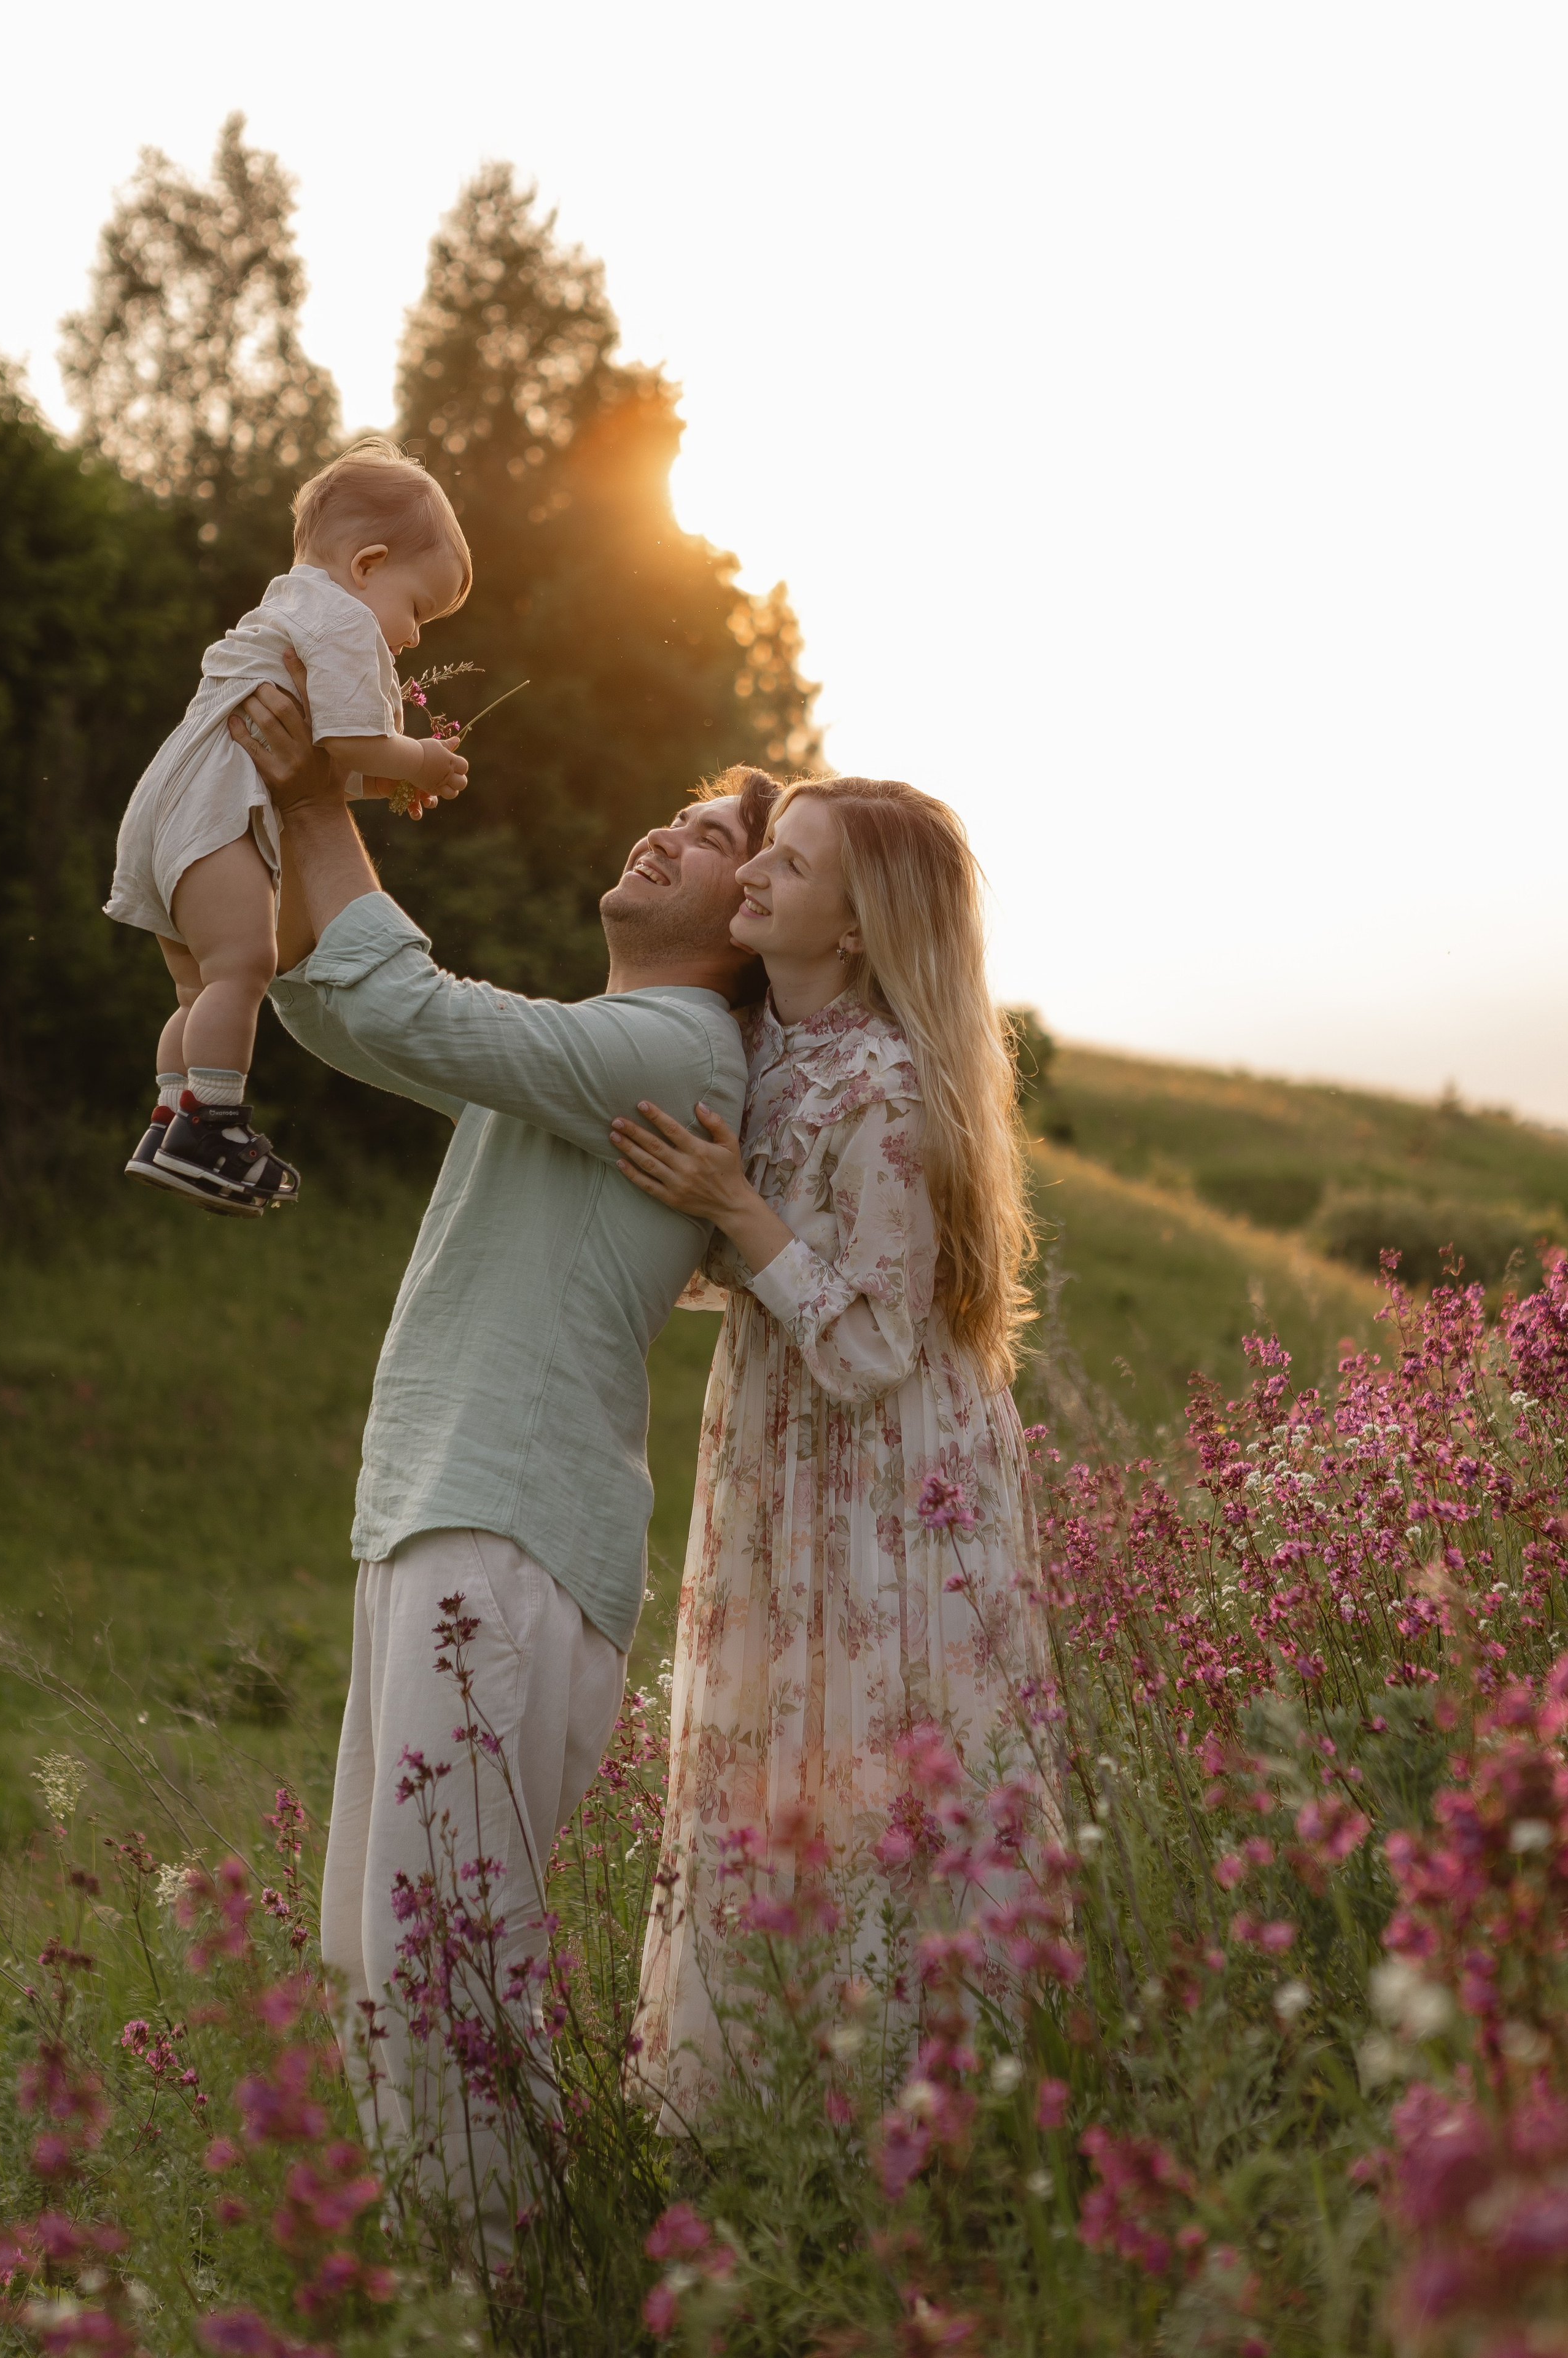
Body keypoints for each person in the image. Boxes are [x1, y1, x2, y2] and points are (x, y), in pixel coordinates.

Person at [230, 671, 777, 2235]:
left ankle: (529, 2289)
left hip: (511, 1536)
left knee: (443, 1972)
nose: (665, 831)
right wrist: (290, 806)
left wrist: (323, 789)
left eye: (713, 833)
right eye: (675, 811)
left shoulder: (678, 1052)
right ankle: (499, 2276)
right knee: (377, 1958)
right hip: (444, 1516)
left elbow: (399, 1006)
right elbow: (346, 1007)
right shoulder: (609, 1042)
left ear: (752, 923)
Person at [607, 776, 1040, 2128]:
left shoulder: (888, 1087)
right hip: (782, 1445)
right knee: (764, 1751)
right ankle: (750, 2106)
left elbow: (865, 1349)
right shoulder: (754, 1043)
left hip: (881, 1471)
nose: (755, 879)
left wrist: (737, 1210)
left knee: (869, 1760)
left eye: (788, 867)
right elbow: (713, 1265)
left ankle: (895, 2114)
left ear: (852, 931)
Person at [106, 438, 471, 1218]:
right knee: (246, 966)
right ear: (367, 564)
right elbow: (346, 745)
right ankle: (213, 1128)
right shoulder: (341, 617)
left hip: (167, 812)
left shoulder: (290, 604)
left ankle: (170, 1120)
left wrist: (391, 784)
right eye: (418, 609)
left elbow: (317, 763)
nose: (412, 637)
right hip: (212, 816)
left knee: (198, 989)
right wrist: (423, 763)